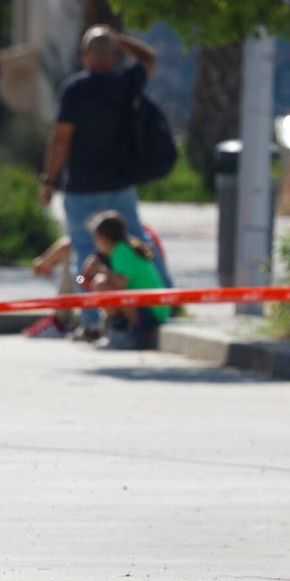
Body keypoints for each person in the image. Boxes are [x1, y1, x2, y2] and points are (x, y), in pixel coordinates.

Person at [39, 25, 157, 335]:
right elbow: (148, 58)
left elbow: (61, 139)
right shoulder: (126, 84)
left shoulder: (75, 89)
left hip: (81, 188)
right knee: (136, 248)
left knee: (83, 256)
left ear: (85, 55)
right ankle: (148, 308)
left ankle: (90, 322)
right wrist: (120, 39)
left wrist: (49, 181)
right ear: (114, 55)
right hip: (119, 186)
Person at [78, 210, 170, 349]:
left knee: (102, 285)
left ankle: (120, 331)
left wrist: (102, 270)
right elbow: (80, 281)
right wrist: (85, 273)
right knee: (100, 282)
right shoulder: (113, 251)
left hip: (151, 311)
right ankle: (114, 330)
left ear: (102, 238)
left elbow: (121, 283)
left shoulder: (121, 251)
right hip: (149, 308)